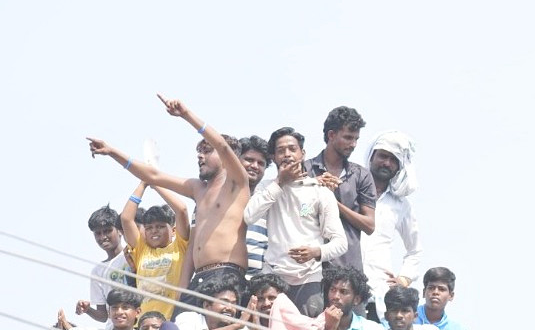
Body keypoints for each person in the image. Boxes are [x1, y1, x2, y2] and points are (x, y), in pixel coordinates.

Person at [87, 95, 251, 311]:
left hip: (228, 273)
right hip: (199, 279)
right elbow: (153, 176)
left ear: (225, 156)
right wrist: (113, 152)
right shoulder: (197, 188)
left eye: (206, 151)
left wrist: (186, 115)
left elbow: (221, 145)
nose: (200, 157)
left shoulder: (237, 184)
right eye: (198, 153)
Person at [244, 127, 347, 316]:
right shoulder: (267, 187)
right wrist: (280, 182)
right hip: (273, 278)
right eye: (280, 151)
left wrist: (316, 252)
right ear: (273, 157)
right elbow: (249, 216)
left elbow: (341, 243)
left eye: (292, 149)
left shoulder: (320, 191)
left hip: (309, 280)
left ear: (303, 154)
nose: (287, 155)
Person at [360, 131, 423, 322]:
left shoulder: (400, 206)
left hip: (377, 292)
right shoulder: (350, 190)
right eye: (383, 156)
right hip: (342, 287)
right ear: (371, 156)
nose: (386, 163)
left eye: (393, 159)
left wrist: (403, 279)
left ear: (399, 166)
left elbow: (415, 251)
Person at [305, 106, 376, 274]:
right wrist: (316, 194)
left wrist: (333, 202)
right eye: (348, 138)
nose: (353, 144)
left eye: (356, 139)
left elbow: (369, 225)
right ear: (331, 135)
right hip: (310, 269)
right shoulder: (305, 171)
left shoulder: (361, 175)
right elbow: (300, 213)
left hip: (348, 270)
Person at [119, 183, 191, 320]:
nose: (154, 231)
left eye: (160, 226)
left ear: (173, 230)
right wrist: (143, 184)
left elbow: (181, 210)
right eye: (149, 227)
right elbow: (126, 218)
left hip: (172, 320)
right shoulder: (142, 250)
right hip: (145, 323)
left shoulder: (180, 246)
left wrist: (155, 183)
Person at [319, 265, 389, 330]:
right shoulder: (316, 324)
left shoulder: (371, 329)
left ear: (356, 299)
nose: (335, 296)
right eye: (332, 290)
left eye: (343, 292)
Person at [75, 206, 132, 323]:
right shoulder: (98, 271)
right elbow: (103, 315)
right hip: (115, 328)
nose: (103, 237)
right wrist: (87, 309)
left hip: (138, 320)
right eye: (98, 233)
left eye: (107, 231)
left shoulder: (131, 254)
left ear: (119, 231)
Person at [174, 277, 256, 330]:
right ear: (207, 306)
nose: (230, 308)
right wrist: (236, 325)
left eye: (234, 304)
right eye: (224, 302)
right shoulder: (189, 318)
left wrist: (256, 327)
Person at [239, 136, 272, 273]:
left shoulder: (269, 199)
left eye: (261, 163)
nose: (254, 166)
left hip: (258, 283)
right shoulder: (217, 197)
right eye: (249, 160)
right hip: (224, 281)